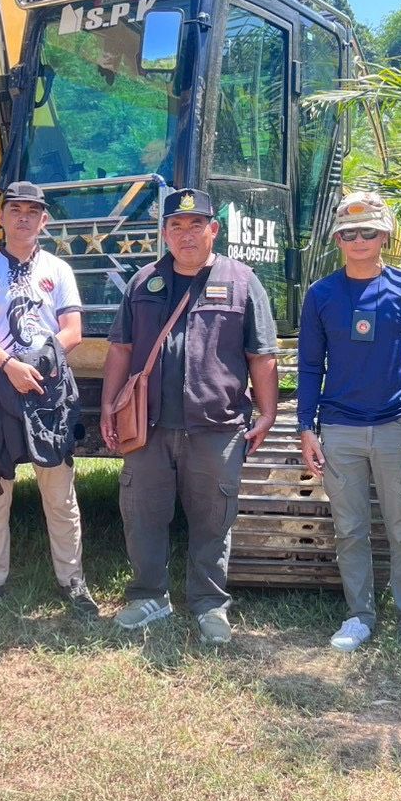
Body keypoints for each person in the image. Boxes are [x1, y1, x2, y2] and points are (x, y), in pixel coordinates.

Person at [99, 187, 280, 645]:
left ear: (213, 229)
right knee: (142, 514)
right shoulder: (143, 282)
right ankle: (149, 596)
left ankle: (209, 603)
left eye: (196, 225)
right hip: (149, 426)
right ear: (165, 234)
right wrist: (107, 405)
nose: (186, 234)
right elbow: (120, 348)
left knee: (213, 519)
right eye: (176, 226)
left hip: (216, 425)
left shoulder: (241, 281)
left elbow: (261, 354)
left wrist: (268, 412)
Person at [297, 192, 401, 662]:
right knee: (350, 529)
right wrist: (305, 427)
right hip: (339, 428)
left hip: (396, 426)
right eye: (349, 233)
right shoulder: (321, 295)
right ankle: (359, 615)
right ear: (337, 240)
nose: (359, 240)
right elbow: (309, 366)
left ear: (385, 236)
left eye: (368, 232)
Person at [0, 180, 99, 618]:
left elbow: (73, 331)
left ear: (44, 220)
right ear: (2, 217)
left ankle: (72, 580)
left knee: (60, 495)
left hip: (47, 398)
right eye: (15, 210)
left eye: (32, 212)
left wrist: (37, 363)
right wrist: (9, 366)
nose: (23, 218)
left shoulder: (59, 270)